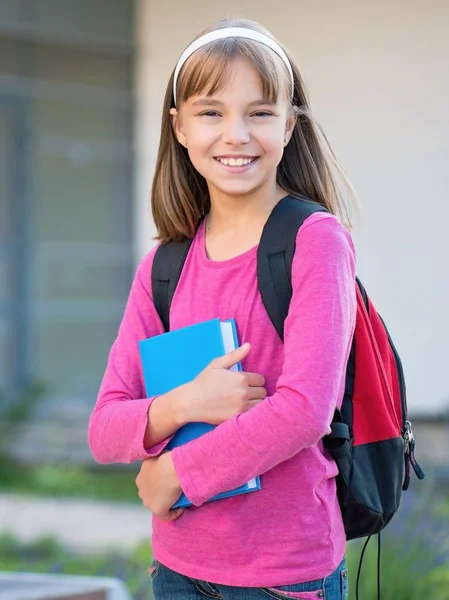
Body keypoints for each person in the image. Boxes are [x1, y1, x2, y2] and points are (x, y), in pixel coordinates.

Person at [88, 16, 358, 600]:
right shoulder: (167, 263)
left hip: (282, 575)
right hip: (177, 569)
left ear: (289, 125)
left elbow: (306, 410)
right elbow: (105, 428)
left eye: (260, 113)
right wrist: (187, 403)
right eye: (211, 112)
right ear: (179, 127)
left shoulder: (315, 240)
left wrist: (176, 476)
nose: (235, 134)